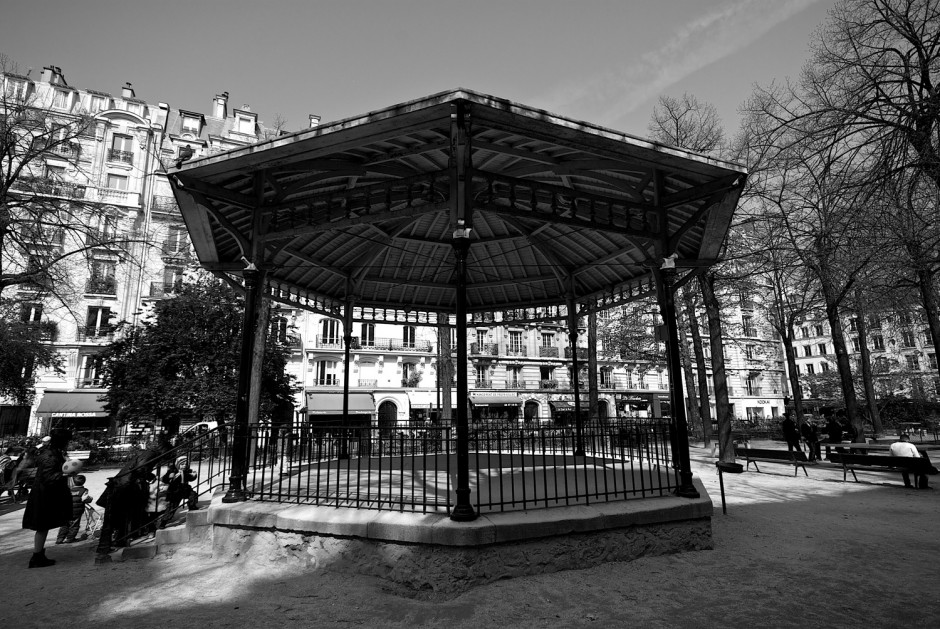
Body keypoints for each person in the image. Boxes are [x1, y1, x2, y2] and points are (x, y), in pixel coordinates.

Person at [21, 428, 72, 568]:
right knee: (42, 525)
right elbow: (48, 477)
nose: (68, 444)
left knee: (43, 526)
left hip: (46, 493)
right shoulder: (50, 455)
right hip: (44, 495)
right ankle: (36, 556)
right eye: (67, 442)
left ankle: (38, 554)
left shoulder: (52, 453)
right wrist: (67, 474)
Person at [158, 456, 199, 529]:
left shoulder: (187, 471)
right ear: (177, 464)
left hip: (185, 489)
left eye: (186, 464)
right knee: (172, 507)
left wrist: (194, 475)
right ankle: (163, 522)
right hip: (175, 491)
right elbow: (164, 479)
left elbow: (190, 478)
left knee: (193, 494)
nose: (184, 466)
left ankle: (192, 506)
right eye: (182, 464)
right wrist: (171, 477)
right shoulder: (172, 471)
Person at [55, 474, 93, 544]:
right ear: (84, 482)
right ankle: (70, 538)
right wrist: (90, 498)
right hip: (77, 511)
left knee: (64, 524)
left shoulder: (67, 489)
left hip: (66, 510)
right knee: (74, 525)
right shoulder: (84, 490)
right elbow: (85, 499)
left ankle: (60, 539)